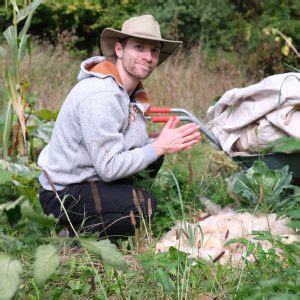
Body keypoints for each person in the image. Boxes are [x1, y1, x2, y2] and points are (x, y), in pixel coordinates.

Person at [37, 15, 201, 238]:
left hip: (90, 178)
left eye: (154, 51)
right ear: (119, 49)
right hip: (63, 192)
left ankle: (114, 207)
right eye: (139, 47)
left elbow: (123, 143)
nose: (149, 56)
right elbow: (109, 167)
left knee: (155, 155)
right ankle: (75, 233)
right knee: (145, 206)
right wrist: (158, 146)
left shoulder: (128, 93)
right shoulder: (101, 95)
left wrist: (157, 143)